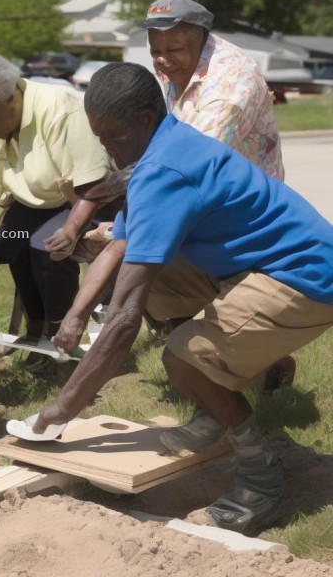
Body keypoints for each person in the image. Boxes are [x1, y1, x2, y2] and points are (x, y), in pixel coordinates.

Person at [34, 62, 333, 535]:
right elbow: (124, 247)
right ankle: (215, 413)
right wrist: (73, 314)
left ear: (147, 117)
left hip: (305, 277)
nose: (108, 148)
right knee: (162, 276)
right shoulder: (161, 150)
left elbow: (123, 318)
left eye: (115, 135)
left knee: (183, 359)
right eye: (100, 137)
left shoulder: (162, 171)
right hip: (259, 268)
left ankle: (259, 476)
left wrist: (62, 409)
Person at [0, 50, 126, 347]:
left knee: (46, 247)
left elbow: (95, 186)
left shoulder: (60, 109)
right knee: (10, 243)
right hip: (37, 202)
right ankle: (36, 328)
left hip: (89, 199)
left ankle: (61, 332)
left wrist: (72, 230)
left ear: (11, 98)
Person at [143, 0, 284, 181]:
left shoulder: (233, 80)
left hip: (247, 202)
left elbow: (194, 157)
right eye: (155, 51)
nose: (164, 61)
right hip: (204, 188)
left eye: (175, 50)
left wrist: (123, 181)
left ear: (200, 37)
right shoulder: (173, 64)